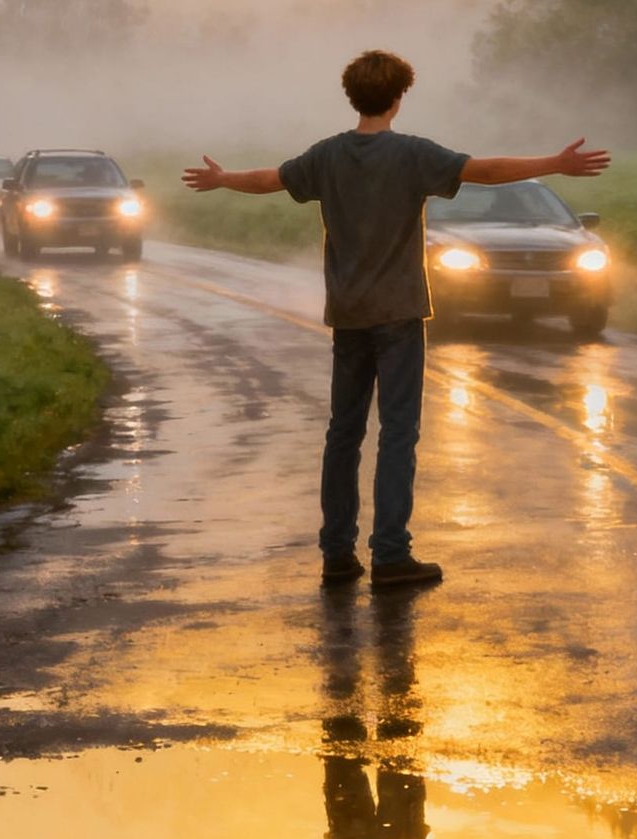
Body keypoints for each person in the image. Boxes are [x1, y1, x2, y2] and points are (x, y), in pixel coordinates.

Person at [183, 50, 610, 589]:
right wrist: (554, 163)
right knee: (397, 433)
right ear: (398, 98)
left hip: (348, 313)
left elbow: (270, 179)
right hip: (400, 314)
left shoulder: (327, 157)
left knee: (343, 432)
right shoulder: (412, 155)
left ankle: (337, 554)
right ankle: (389, 555)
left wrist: (222, 179)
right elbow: (486, 171)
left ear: (352, 97)